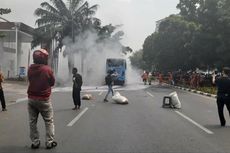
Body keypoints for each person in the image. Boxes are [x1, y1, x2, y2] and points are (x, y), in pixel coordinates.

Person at [27, 49, 57, 149]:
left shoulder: (30, 68)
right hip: (44, 100)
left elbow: (30, 79)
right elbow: (52, 82)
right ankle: (49, 142)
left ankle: (35, 142)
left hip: (31, 99)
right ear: (43, 58)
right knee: (48, 121)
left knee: (32, 122)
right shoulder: (47, 69)